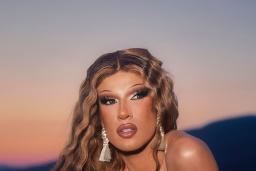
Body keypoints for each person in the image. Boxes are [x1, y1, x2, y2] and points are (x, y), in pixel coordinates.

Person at [52, 48, 219, 171]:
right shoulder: (98, 167)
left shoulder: (185, 153)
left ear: (158, 103)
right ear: (98, 114)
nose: (123, 113)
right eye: (109, 100)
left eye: (137, 95)